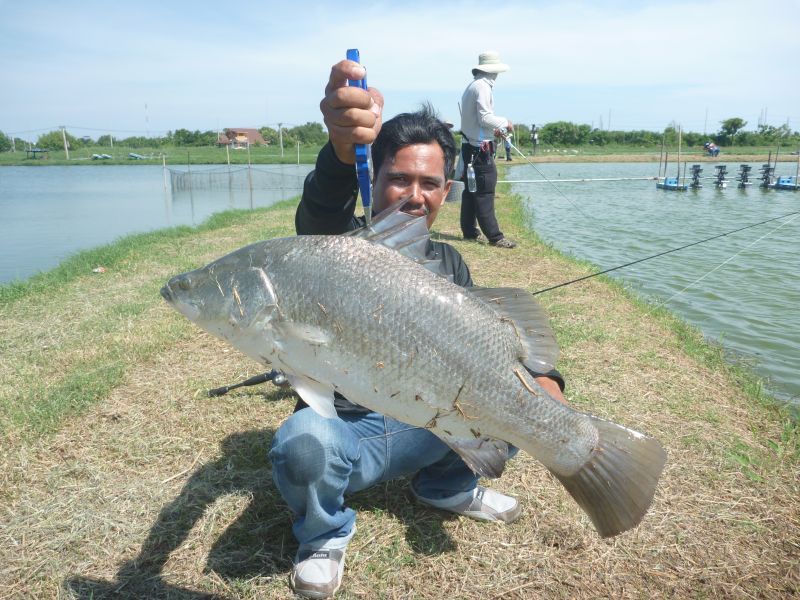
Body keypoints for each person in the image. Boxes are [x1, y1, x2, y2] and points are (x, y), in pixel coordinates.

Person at [271, 59, 567, 599]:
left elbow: (485, 349)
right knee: (303, 443)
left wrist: (549, 382)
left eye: (429, 183)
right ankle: (323, 535)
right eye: (399, 178)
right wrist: (340, 153)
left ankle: (448, 486)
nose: (414, 195)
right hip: (352, 433)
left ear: (447, 189)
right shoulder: (340, 251)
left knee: (519, 399)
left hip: (424, 426)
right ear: (373, 179)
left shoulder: (451, 264)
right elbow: (319, 218)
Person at [459, 51, 516, 249]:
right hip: (478, 149)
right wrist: (505, 123)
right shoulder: (482, 87)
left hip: (470, 145)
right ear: (493, 71)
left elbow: (478, 122)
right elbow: (484, 118)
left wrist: (494, 131)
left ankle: (469, 231)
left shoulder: (472, 86)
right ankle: (495, 237)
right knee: (484, 191)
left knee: (471, 190)